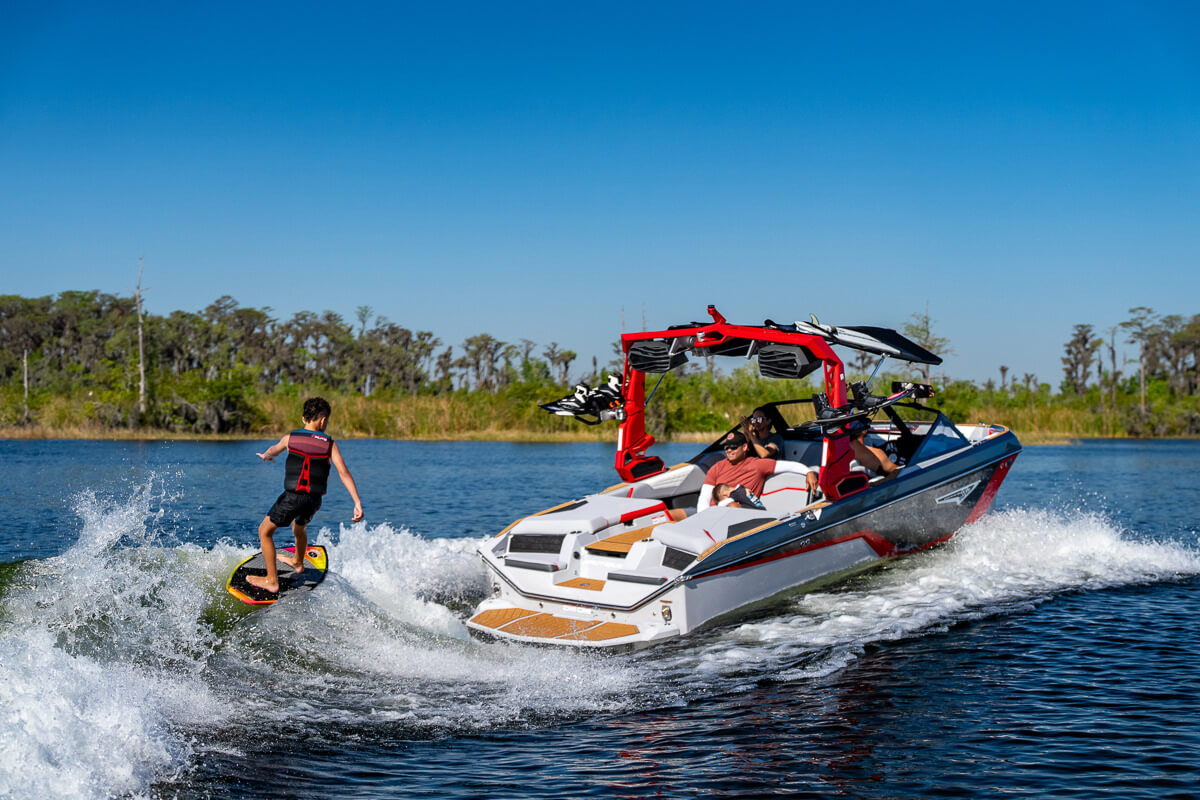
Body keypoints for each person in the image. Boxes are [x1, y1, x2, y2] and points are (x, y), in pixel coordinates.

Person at [246, 397, 364, 593]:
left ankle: (272, 581)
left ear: (303, 419)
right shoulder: (330, 444)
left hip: (293, 497)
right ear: (323, 421)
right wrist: (357, 502)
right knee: (298, 528)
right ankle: (298, 563)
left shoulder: (290, 439)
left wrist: (266, 456)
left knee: (264, 532)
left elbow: (274, 450)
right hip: (313, 500)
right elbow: (344, 472)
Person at [697, 431, 818, 511]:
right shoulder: (716, 467)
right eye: (726, 447)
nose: (729, 450)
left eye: (733, 447)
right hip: (711, 514)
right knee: (677, 515)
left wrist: (808, 472)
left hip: (736, 513)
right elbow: (704, 499)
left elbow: (788, 466)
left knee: (732, 506)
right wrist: (702, 520)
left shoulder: (757, 465)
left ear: (744, 447)